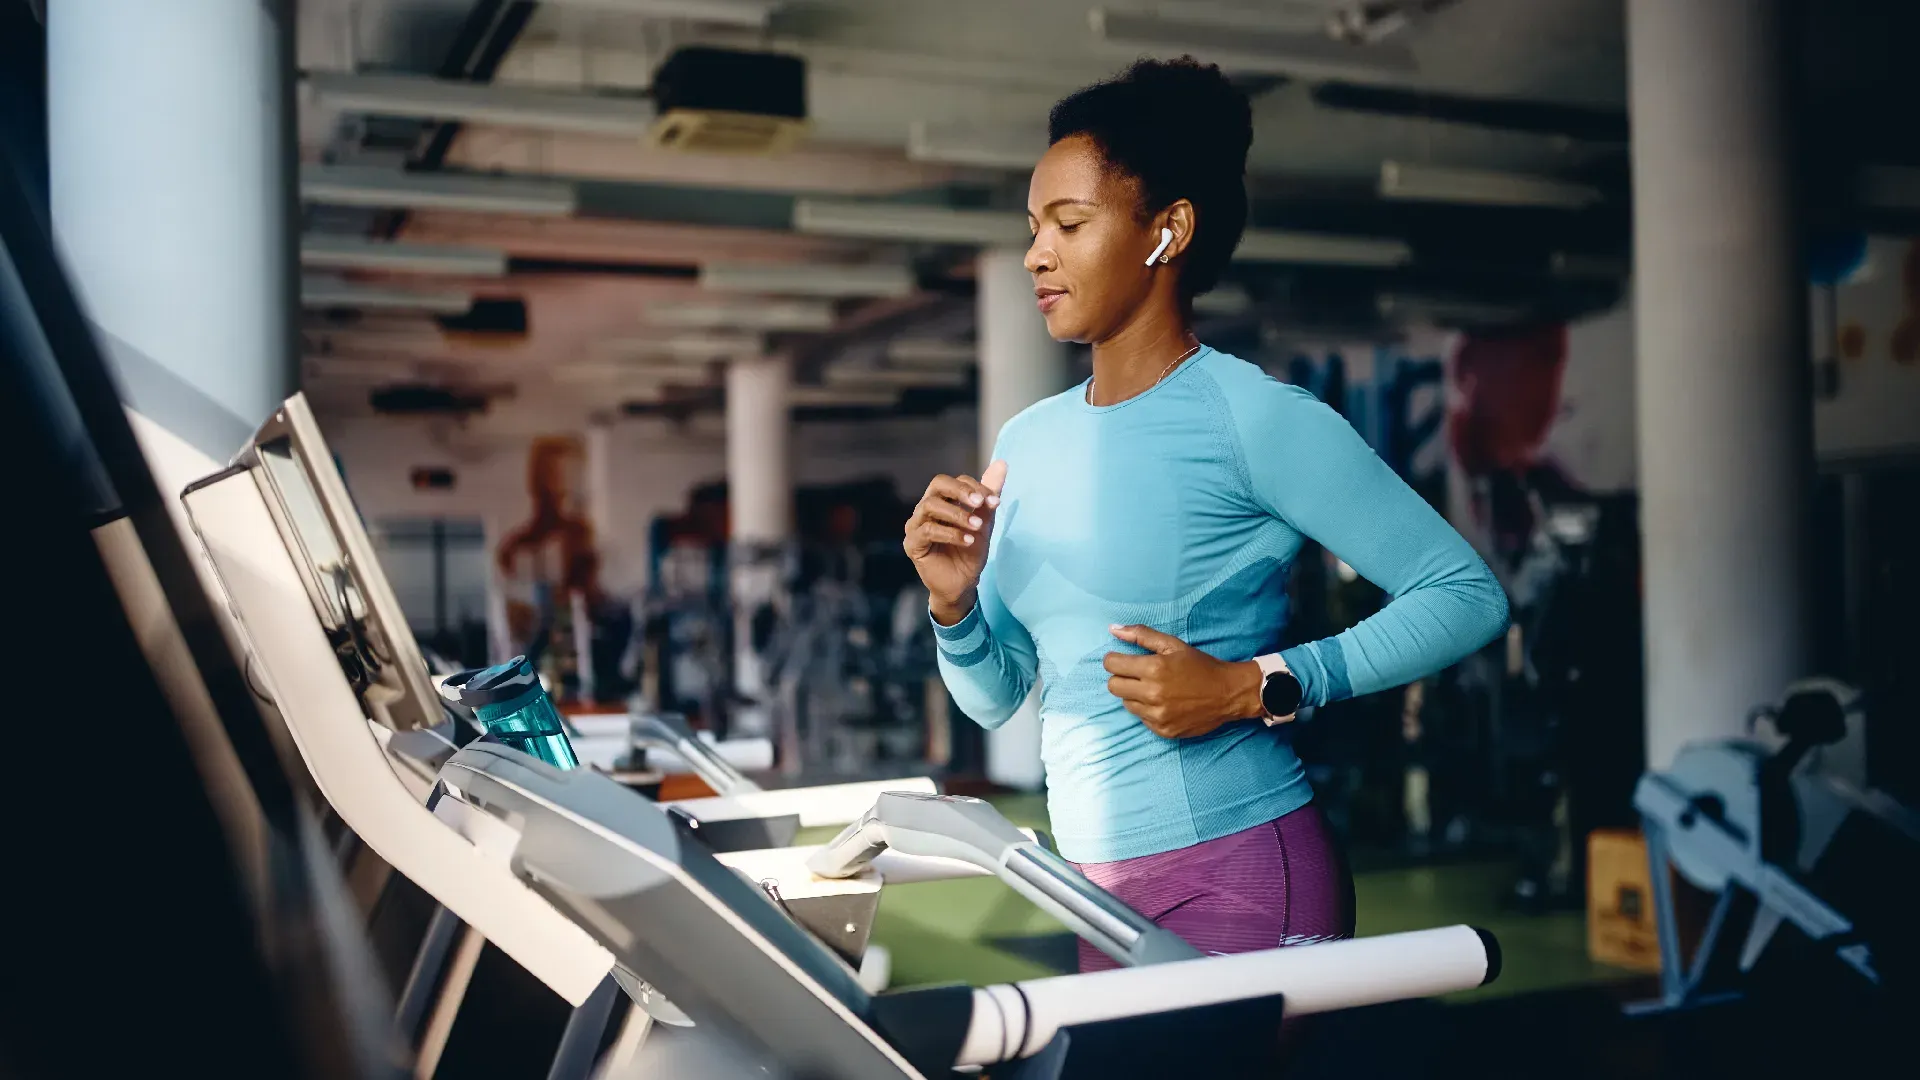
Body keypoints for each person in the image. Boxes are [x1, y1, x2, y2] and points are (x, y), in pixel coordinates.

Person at [903, 57, 1510, 972]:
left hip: (1237, 871)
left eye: (1069, 223)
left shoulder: (1255, 417)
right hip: (1095, 894)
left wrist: (1250, 686)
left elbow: (1465, 595)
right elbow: (998, 700)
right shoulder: (1026, 439)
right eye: (1034, 227)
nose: (1036, 252)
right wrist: (956, 609)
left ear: (1166, 233)